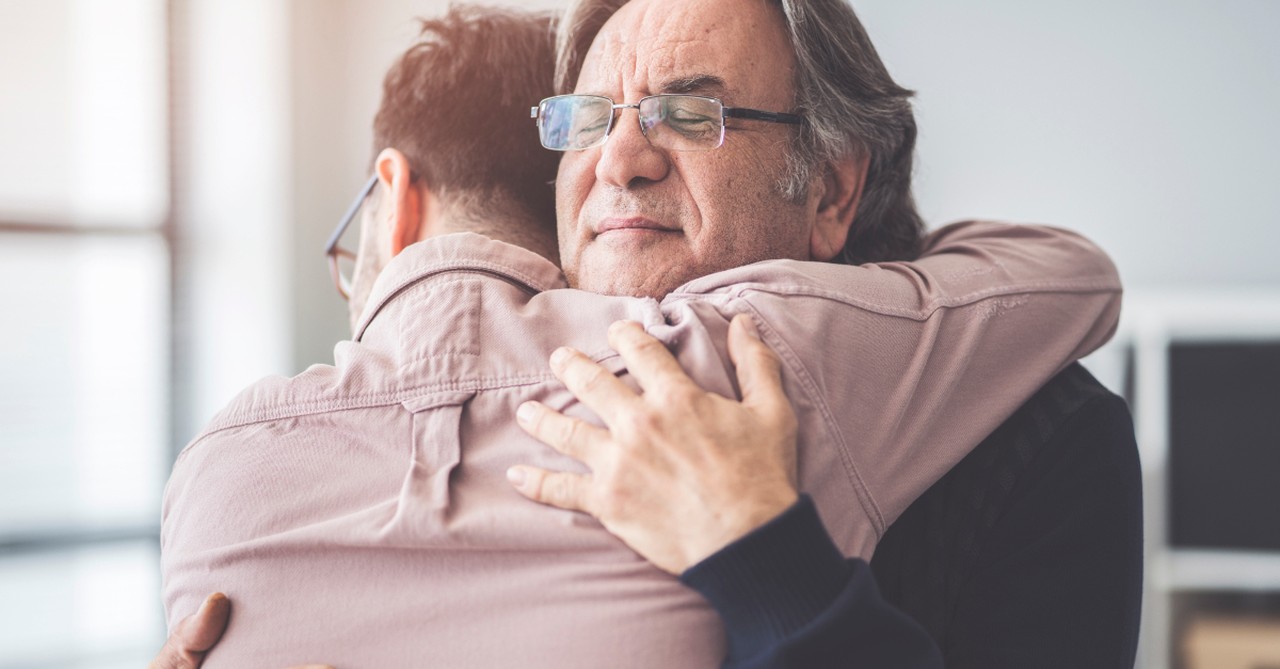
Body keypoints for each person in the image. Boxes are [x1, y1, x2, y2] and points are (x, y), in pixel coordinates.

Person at [153, 2, 1135, 668]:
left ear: (830, 188)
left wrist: (761, 557)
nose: (619, 159)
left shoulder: (1037, 430)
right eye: (587, 120)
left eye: (687, 112)